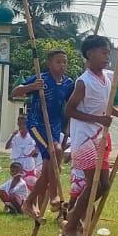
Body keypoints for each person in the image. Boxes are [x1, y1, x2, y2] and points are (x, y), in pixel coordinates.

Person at [57, 36, 118, 236]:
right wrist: (97, 120)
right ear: (89, 54)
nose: (106, 56)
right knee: (92, 186)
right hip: (84, 139)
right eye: (102, 52)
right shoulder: (84, 81)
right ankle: (71, 226)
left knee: (103, 185)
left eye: (108, 52)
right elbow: (69, 111)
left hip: (99, 136)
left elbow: (106, 107)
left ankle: (72, 218)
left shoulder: (107, 78)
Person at [10, 50, 73, 225]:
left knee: (49, 167)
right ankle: (53, 195)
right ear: (49, 64)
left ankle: (29, 202)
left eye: (64, 62)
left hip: (54, 126)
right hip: (38, 124)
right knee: (57, 151)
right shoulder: (41, 79)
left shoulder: (68, 83)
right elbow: (15, 92)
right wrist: (32, 88)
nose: (62, 65)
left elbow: (72, 102)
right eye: (58, 62)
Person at [4, 112, 42, 176]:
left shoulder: (33, 135)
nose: (22, 125)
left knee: (29, 179)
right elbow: (6, 147)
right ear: (18, 124)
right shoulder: (15, 135)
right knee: (16, 180)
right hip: (17, 161)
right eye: (20, 123)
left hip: (29, 162)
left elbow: (39, 146)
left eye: (24, 123)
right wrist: (12, 137)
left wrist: (34, 151)